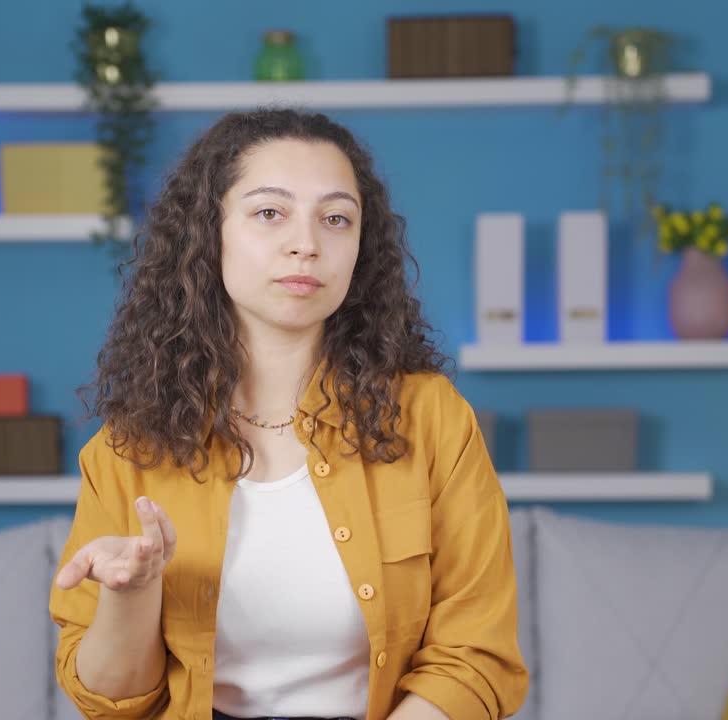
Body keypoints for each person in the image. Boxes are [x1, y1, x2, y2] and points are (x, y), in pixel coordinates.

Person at [49, 107, 528, 720]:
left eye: (335, 218)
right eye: (270, 212)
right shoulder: (127, 448)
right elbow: (110, 702)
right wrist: (131, 596)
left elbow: (477, 656)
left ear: (360, 248)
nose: (306, 243)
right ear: (209, 233)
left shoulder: (432, 417)